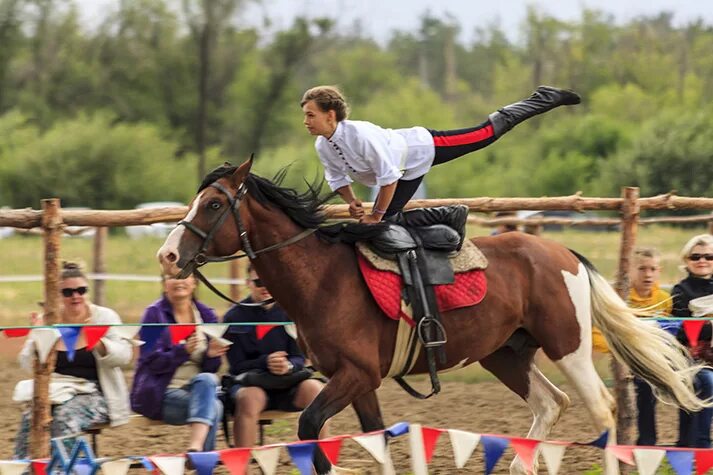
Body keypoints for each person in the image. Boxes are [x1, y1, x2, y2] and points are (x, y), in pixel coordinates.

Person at [301, 84, 580, 223]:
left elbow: (388, 180)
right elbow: (337, 179)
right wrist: (353, 202)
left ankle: (542, 98)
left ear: (331, 115)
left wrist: (374, 215)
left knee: (485, 134)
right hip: (405, 171)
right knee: (386, 224)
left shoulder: (359, 136)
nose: (306, 122)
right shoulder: (322, 145)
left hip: (423, 147)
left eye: (311, 115)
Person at [13, 261, 133, 458]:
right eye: (67, 292)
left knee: (64, 415)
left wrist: (98, 343)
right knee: (32, 417)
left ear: (87, 292)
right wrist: (38, 335)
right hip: (57, 392)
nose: (75, 296)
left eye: (81, 290)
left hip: (98, 394)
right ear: (57, 295)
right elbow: (26, 363)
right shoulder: (49, 319)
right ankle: (24, 468)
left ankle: (64, 470)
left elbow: (125, 356)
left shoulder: (104, 317)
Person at [223, 263, 326, 447]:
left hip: (288, 383)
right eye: (259, 281)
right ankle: (242, 469)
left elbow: (299, 358)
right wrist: (265, 362)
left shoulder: (291, 312)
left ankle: (322, 468)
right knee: (250, 398)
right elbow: (236, 365)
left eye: (271, 281)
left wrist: (288, 366)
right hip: (251, 384)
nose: (266, 287)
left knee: (316, 390)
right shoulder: (234, 317)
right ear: (248, 283)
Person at [130, 273, 227, 452]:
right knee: (215, 406)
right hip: (162, 394)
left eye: (185, 276)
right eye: (173, 277)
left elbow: (211, 368)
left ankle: (197, 450)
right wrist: (182, 352)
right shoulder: (154, 314)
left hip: (198, 390)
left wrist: (211, 356)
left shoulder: (207, 315)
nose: (179, 281)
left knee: (208, 379)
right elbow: (151, 362)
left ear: (194, 283)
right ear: (165, 284)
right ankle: (202, 462)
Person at [672, 234, 713, 448]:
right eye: (696, 256)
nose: (702, 260)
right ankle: (701, 445)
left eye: (709, 256)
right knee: (707, 381)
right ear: (686, 260)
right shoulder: (680, 291)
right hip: (691, 359)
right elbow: (681, 332)